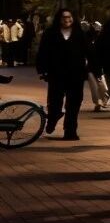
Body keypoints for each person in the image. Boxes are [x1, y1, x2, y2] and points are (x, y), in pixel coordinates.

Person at [35, 8, 91, 140]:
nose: (67, 20)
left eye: (69, 17)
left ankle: (70, 131)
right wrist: (42, 69)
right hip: (56, 73)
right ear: (59, 19)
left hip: (76, 74)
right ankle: (53, 119)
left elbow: (89, 52)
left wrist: (93, 69)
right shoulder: (50, 33)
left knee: (74, 104)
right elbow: (43, 52)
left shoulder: (80, 34)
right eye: (64, 17)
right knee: (54, 102)